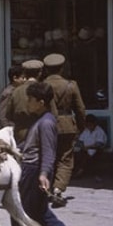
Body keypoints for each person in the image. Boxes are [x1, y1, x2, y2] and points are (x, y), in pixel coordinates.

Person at [8, 81, 86, 226]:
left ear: (41, 102)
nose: (27, 102)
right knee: (40, 212)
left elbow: (49, 152)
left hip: (33, 172)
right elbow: (32, 146)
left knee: (18, 212)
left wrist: (43, 175)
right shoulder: (41, 120)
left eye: (31, 99)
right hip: (33, 170)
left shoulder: (47, 123)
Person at [43, 53, 86, 207]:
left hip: (47, 125)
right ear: (61, 68)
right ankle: (58, 189)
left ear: (46, 69)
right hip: (67, 125)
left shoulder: (42, 85)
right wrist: (81, 126)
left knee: (48, 157)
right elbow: (80, 108)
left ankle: (45, 187)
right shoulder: (70, 85)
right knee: (65, 159)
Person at [6, 59, 44, 145]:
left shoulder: (16, 91)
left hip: (21, 134)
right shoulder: (44, 89)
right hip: (40, 132)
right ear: (39, 73)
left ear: (25, 74)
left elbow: (8, 115)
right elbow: (53, 113)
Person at [74, 114, 107, 179]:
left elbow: (99, 144)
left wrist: (88, 147)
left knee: (85, 157)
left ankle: (79, 173)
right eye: (87, 124)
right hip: (85, 150)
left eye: (90, 124)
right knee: (77, 154)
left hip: (96, 151)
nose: (89, 126)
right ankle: (77, 171)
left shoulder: (99, 131)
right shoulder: (86, 130)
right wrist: (82, 146)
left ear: (94, 123)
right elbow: (80, 141)